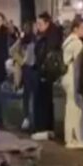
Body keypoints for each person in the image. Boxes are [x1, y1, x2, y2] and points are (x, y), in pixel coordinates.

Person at [31, 12, 62, 141]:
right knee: (45, 101)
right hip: (44, 72)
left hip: (45, 73)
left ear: (47, 23)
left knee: (42, 101)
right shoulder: (48, 36)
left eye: (40, 24)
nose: (38, 26)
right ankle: (47, 128)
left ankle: (43, 128)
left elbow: (45, 55)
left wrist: (42, 69)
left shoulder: (49, 38)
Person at [61, 15, 83, 149]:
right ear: (76, 28)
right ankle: (73, 138)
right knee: (74, 110)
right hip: (72, 77)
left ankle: (71, 137)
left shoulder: (67, 41)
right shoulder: (77, 43)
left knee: (70, 107)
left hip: (66, 76)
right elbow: (79, 65)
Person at [11, 21, 36, 131]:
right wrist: (22, 61)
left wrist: (21, 61)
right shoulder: (23, 41)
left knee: (30, 95)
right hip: (28, 69)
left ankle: (29, 118)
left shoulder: (33, 40)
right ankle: (27, 118)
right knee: (28, 95)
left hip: (31, 69)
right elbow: (12, 51)